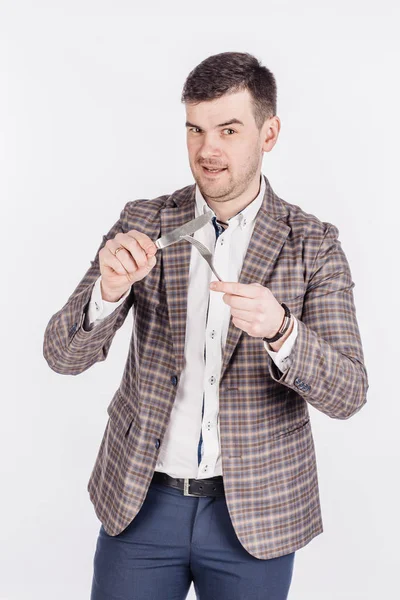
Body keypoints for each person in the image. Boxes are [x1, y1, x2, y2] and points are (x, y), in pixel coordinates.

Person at [43, 51, 369, 600]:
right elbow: (60, 355)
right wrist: (108, 290)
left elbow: (350, 392)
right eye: (195, 129)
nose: (207, 149)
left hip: (256, 514)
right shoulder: (143, 222)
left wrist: (283, 329)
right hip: (141, 503)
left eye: (228, 129)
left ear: (269, 134)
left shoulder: (314, 244)